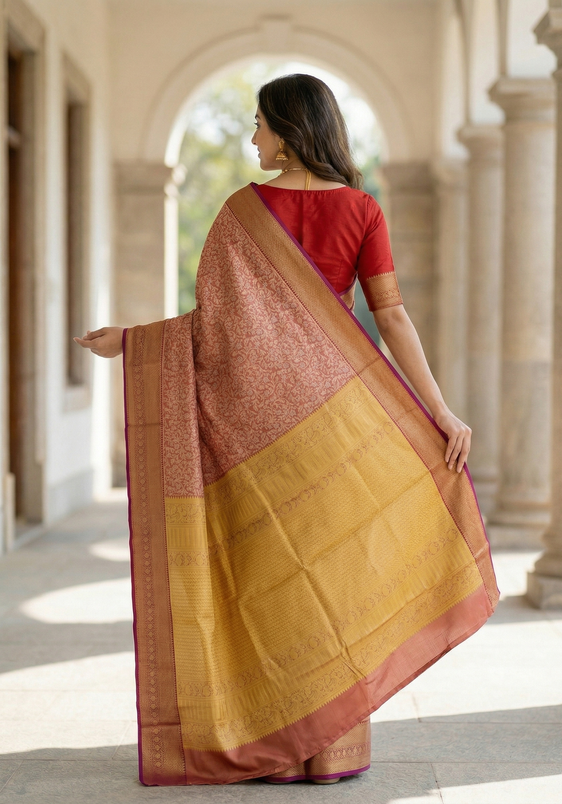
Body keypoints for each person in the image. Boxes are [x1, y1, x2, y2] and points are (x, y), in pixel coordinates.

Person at [76, 74, 498, 787]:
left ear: (290, 128)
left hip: (252, 423)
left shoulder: (241, 211)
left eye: (260, 125)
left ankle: (269, 745)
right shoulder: (362, 209)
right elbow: (391, 318)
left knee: (272, 579)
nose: (252, 138)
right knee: (330, 573)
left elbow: (214, 329)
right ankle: (329, 752)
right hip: (338, 418)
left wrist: (133, 342)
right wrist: (439, 410)